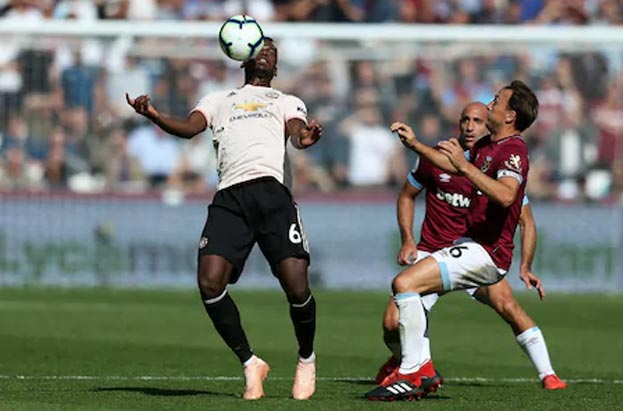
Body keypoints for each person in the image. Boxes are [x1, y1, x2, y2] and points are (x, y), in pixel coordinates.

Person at [126, 38, 322, 401]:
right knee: (209, 282)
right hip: (230, 196)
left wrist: (304, 138)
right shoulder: (218, 99)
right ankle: (250, 363)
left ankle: (306, 359)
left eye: (273, 52)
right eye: (261, 48)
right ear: (244, 57)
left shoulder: (286, 101)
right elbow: (189, 128)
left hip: (272, 195)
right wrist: (152, 114)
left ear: (276, 68)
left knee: (296, 288)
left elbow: (297, 132)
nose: (267, 53)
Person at [366, 80, 560, 401]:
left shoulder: (513, 151)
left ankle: (413, 372)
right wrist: (415, 145)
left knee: (406, 284)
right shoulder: (487, 145)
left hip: (486, 253)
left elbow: (506, 195)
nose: (490, 104)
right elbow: (450, 165)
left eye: (496, 101)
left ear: (509, 115)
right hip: (467, 246)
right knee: (401, 296)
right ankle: (419, 369)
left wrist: (465, 168)